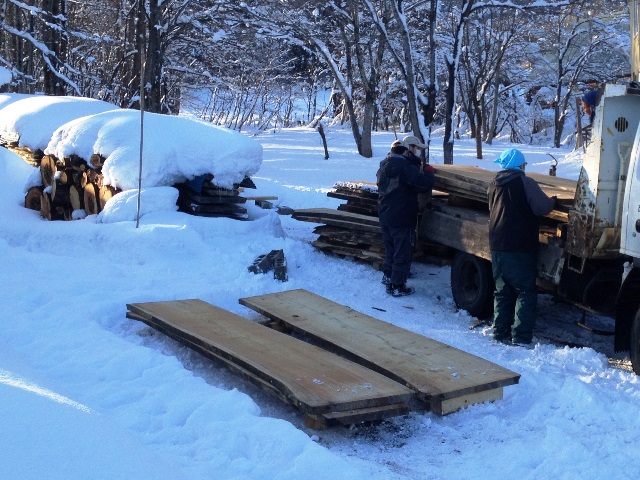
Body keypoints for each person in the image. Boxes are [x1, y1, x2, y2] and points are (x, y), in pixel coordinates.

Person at [487, 148, 556, 346]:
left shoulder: (493, 184)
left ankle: (500, 333)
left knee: (502, 291)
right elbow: (541, 207)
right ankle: (521, 337)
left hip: (497, 245)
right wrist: (553, 201)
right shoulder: (525, 182)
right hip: (520, 246)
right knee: (525, 291)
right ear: (520, 165)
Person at [377, 137, 435, 297]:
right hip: (402, 215)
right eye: (413, 149)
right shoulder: (405, 167)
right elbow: (422, 185)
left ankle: (388, 276)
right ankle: (397, 285)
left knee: (391, 249)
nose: (415, 152)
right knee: (402, 252)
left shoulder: (383, 165)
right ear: (406, 150)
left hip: (385, 213)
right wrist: (430, 174)